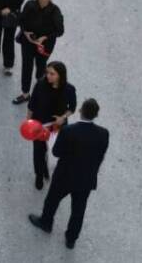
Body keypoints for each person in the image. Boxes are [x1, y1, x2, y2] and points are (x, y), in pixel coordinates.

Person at [28, 98, 110, 249]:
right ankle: (71, 239)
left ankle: (46, 223)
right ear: (96, 115)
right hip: (86, 179)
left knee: (52, 201)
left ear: (80, 111)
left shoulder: (68, 131)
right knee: (78, 210)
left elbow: (56, 152)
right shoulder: (104, 133)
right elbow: (101, 154)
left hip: (64, 176)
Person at [27, 61, 78, 189]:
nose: (48, 76)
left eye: (52, 74)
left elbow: (72, 108)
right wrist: (28, 122)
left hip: (57, 127)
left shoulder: (69, 89)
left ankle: (48, 168)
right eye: (47, 72)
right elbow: (32, 104)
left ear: (60, 75)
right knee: (38, 151)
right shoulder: (40, 84)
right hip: (39, 125)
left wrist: (63, 117)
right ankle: (39, 175)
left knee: (56, 151)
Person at [13, 0, 66, 104]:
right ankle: (25, 93)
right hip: (28, 42)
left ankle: (40, 93)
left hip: (44, 46)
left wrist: (45, 37)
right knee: (26, 66)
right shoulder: (30, 5)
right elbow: (21, 20)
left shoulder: (55, 11)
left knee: (41, 69)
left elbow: (60, 31)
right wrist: (26, 33)